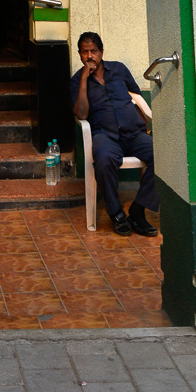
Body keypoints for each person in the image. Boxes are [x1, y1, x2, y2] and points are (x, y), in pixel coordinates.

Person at [70, 31, 159, 237]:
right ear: (79, 54)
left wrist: (141, 121)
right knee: (103, 160)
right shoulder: (76, 81)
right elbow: (81, 114)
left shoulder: (119, 69)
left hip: (133, 133)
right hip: (104, 136)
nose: (89, 56)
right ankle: (117, 214)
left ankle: (138, 210)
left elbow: (136, 95)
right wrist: (84, 78)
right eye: (84, 52)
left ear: (102, 51)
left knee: (162, 155)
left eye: (93, 51)